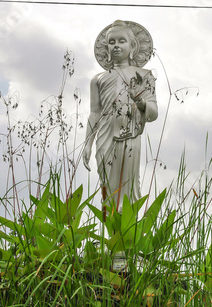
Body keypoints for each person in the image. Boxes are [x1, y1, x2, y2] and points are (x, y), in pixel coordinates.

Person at [83, 20, 158, 210]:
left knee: (128, 188)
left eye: (121, 41)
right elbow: (95, 113)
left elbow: (154, 112)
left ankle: (128, 232)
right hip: (105, 137)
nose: (116, 46)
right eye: (112, 42)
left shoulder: (144, 75)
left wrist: (140, 102)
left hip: (129, 136)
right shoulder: (98, 79)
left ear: (132, 46)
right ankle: (111, 235)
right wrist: (88, 143)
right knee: (108, 190)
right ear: (106, 47)